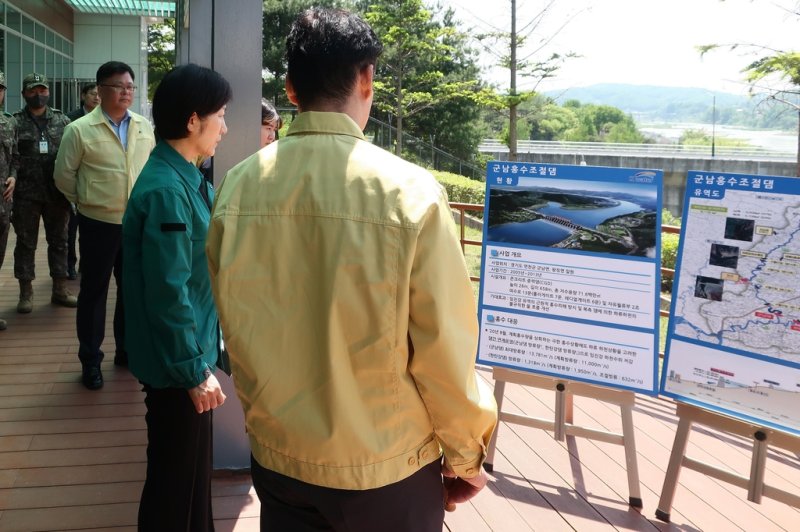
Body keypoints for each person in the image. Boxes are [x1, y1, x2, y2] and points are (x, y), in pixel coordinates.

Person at [207, 8, 497, 531]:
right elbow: (444, 352)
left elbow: (230, 322)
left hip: (279, 456)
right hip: (385, 468)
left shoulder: (238, 187)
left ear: (291, 89)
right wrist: (465, 456)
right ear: (366, 78)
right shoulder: (411, 193)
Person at [122, 63, 229, 532]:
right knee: (173, 483)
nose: (225, 127)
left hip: (189, 358)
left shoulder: (186, 175)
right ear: (192, 121)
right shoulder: (168, 189)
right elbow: (169, 292)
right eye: (220, 115)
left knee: (189, 479)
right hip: (177, 370)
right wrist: (193, 371)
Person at [54, 61, 156, 390]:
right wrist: (86, 200)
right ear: (100, 90)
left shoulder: (143, 126)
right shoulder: (79, 130)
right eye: (118, 86)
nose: (126, 92)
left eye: (130, 86)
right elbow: (63, 177)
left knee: (131, 292)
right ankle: (90, 360)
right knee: (94, 293)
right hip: (98, 223)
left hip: (136, 223)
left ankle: (126, 350)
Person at [11, 73, 76, 314]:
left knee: (59, 241)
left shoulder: (62, 121)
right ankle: (25, 293)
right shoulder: (14, 122)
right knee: (26, 243)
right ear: (24, 94)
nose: (38, 95)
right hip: (25, 194)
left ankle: (60, 289)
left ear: (48, 92)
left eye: (42, 90)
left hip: (56, 193)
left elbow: (72, 155)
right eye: (32, 91)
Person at [65, 83, 101, 280]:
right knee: (70, 231)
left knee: (89, 234)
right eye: (92, 94)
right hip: (73, 184)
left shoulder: (106, 119)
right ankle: (69, 265)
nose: (96, 98)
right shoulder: (70, 119)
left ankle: (86, 266)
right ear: (83, 95)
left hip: (94, 187)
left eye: (99, 95)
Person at [0, 70, 16, 331]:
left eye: (0, 88)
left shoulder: (8, 122)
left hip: (3, 203)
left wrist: (13, 176)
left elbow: (15, 157)